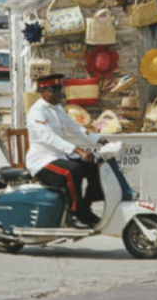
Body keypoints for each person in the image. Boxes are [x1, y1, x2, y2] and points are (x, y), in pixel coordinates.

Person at [25, 74, 108, 228]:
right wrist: (77, 150)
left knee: (95, 165)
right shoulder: (36, 112)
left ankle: (86, 207)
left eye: (59, 89)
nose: (59, 94)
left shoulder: (57, 108)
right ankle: (75, 212)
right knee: (72, 171)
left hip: (60, 157)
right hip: (42, 161)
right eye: (53, 90)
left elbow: (75, 128)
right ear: (42, 91)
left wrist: (98, 140)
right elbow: (49, 138)